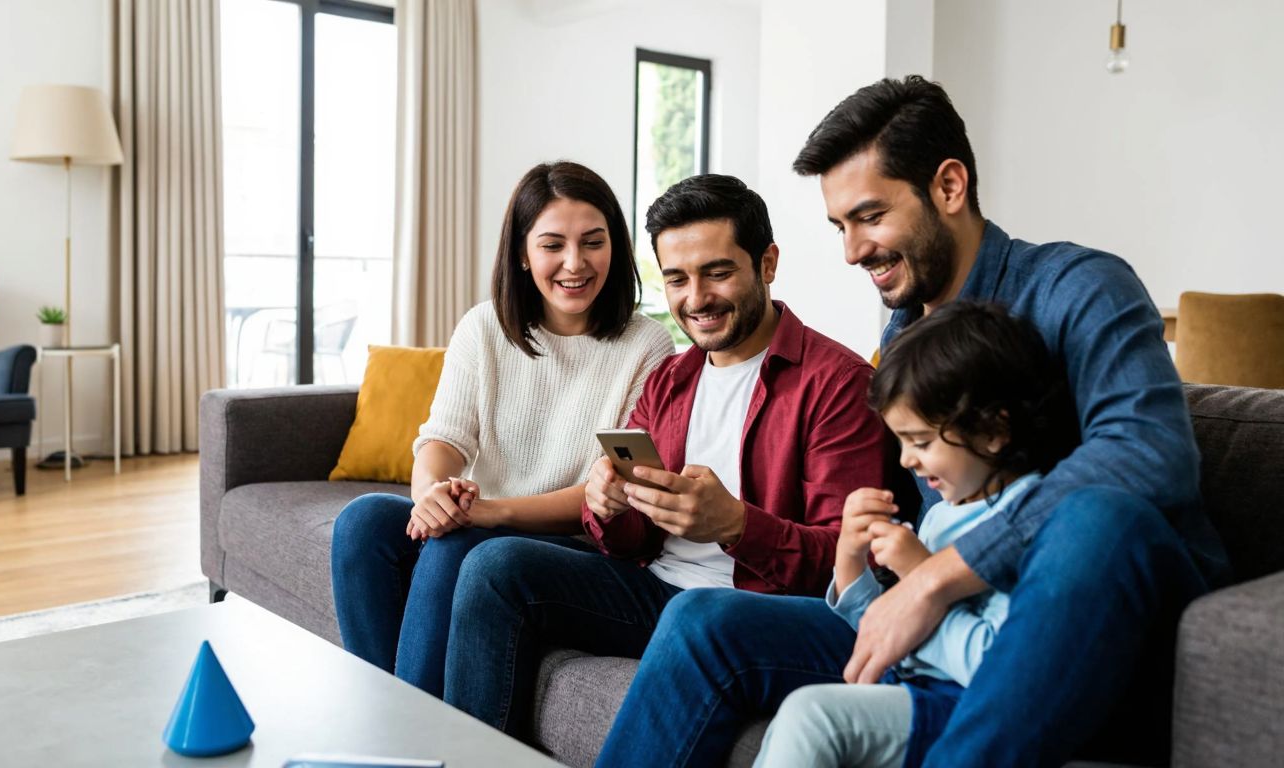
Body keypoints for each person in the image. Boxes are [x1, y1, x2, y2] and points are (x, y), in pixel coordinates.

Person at [594, 75, 1229, 768]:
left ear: (949, 187)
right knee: (702, 621)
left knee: (1099, 517)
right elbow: (900, 539)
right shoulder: (901, 344)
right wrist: (863, 578)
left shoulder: (1078, 288)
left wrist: (937, 579)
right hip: (948, 634)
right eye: (841, 226)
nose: (851, 250)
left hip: (1088, 621)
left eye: (869, 217)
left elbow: (1149, 454)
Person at [439, 174, 893, 738]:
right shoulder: (671, 380)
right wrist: (607, 508)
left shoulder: (838, 384)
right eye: (676, 279)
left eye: (718, 273)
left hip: (751, 607)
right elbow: (630, 541)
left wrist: (737, 525)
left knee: (694, 613)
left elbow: (849, 564)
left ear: (767, 264)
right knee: (494, 566)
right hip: (652, 588)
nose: (695, 299)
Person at [329, 160, 674, 697]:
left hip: (569, 545)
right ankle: (382, 716)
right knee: (364, 521)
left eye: (593, 242)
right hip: (480, 519)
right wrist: (431, 497)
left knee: (457, 541)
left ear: (616, 247)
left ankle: (409, 737)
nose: (574, 263)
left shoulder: (647, 346)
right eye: (552, 244)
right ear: (521, 252)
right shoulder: (484, 325)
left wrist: (486, 513)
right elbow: (443, 439)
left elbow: (607, 491)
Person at [754, 301, 1078, 768]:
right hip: (910, 689)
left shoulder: (1030, 521)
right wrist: (849, 562)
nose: (905, 460)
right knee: (801, 712)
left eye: (921, 442)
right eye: (901, 441)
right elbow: (888, 634)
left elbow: (998, 662)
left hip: (970, 707)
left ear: (993, 430)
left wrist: (922, 573)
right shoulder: (945, 514)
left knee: (814, 715)